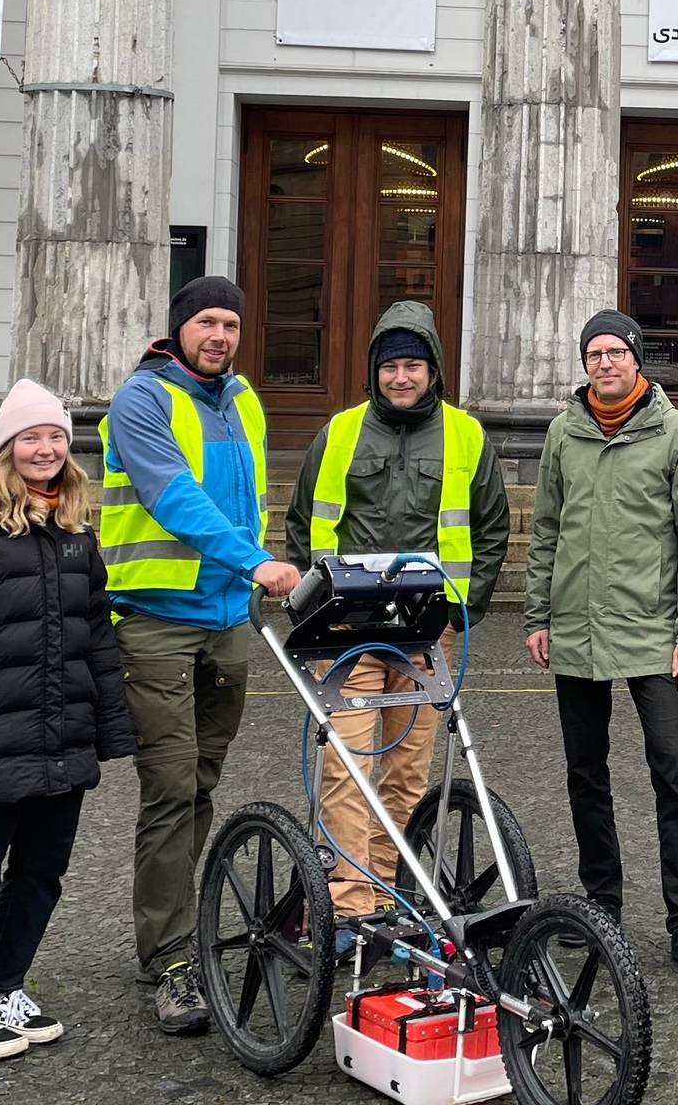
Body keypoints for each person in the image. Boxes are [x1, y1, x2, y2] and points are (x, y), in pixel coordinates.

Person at [0, 379, 135, 1060]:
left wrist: (111, 728)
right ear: (5, 450)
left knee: (40, 874)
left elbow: (96, 636)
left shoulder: (74, 532)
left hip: (60, 743)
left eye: (56, 438)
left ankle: (3, 989)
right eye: (30, 438)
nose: (45, 449)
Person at [102, 277, 302, 1037]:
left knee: (202, 782)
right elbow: (174, 498)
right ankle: (170, 958)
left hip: (226, 620)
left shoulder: (242, 398)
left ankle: (181, 921)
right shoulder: (144, 399)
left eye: (231, 323)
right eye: (206, 322)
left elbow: (247, 500)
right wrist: (255, 560)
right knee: (170, 785)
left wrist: (253, 574)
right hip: (156, 620)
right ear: (179, 327)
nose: (219, 334)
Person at [285, 301, 509, 954]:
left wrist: (467, 607)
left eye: (412, 364)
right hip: (347, 627)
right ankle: (351, 909)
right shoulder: (341, 431)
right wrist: (316, 599)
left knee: (408, 772)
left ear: (433, 369)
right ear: (374, 371)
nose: (401, 377)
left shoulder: (467, 435)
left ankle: (388, 895)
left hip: (426, 627)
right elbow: (305, 522)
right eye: (390, 365)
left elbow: (492, 529)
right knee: (350, 763)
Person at [523, 310, 678, 978]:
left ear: (638, 359)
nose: (605, 363)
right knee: (586, 773)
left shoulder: (676, 433)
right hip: (576, 629)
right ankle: (600, 899)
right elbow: (545, 529)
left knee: (673, 771)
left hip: (653, 633)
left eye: (616, 352)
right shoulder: (564, 432)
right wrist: (537, 615)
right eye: (594, 353)